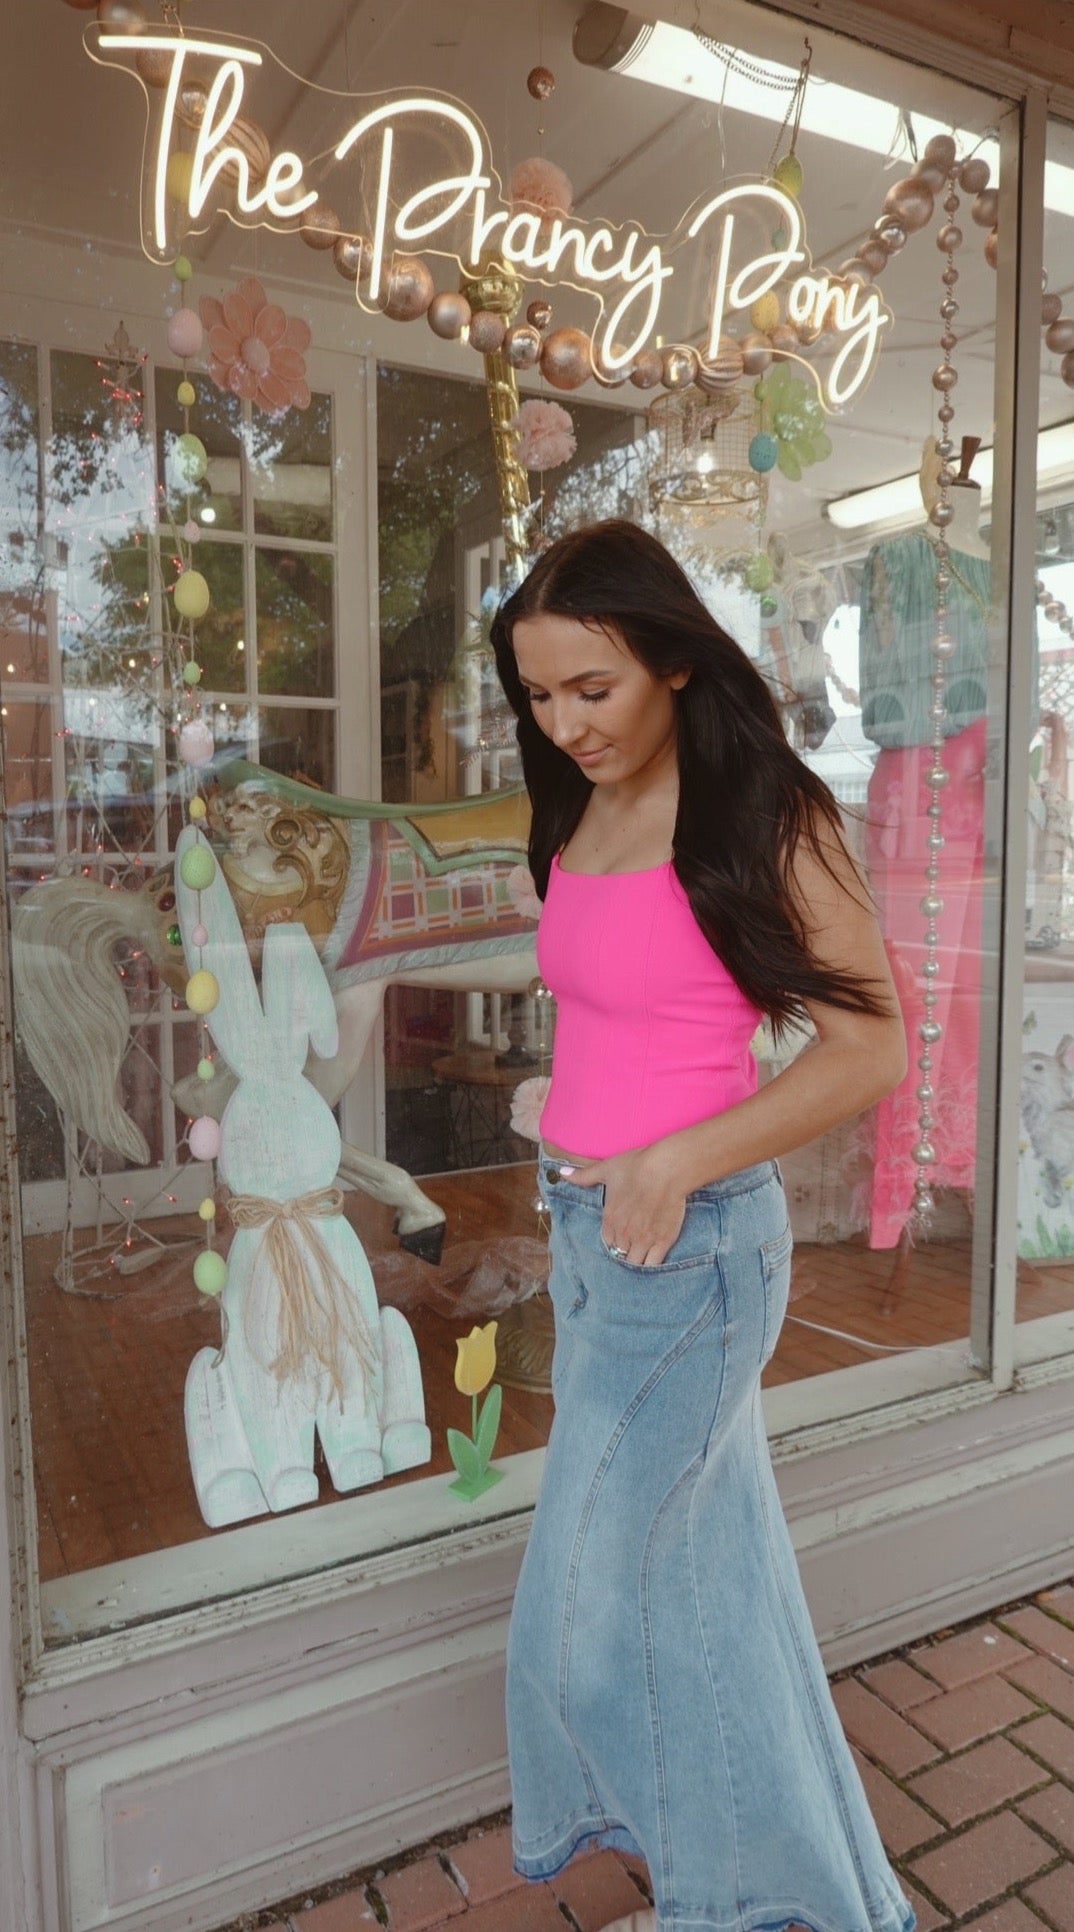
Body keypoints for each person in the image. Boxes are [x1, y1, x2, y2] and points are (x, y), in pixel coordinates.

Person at [490, 520, 914, 1932]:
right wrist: (573, 1121)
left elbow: (867, 1050)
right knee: (715, 1606)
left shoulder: (766, 813)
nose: (564, 724)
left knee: (584, 1623)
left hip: (693, 1254)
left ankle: (723, 1899)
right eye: (539, 695)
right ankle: (800, 1900)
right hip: (586, 1235)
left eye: (590, 690)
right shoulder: (576, 808)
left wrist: (674, 1157)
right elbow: (620, 1006)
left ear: (670, 661)